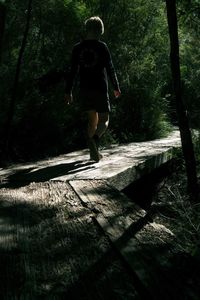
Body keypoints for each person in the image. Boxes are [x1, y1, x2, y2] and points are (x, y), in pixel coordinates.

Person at [65, 16, 121, 162]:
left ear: (86, 29)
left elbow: (72, 71)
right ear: (100, 30)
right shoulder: (102, 47)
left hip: (84, 90)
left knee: (92, 122)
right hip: (100, 89)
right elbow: (110, 68)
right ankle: (95, 140)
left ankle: (93, 153)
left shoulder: (77, 48)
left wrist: (68, 91)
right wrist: (116, 87)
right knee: (104, 120)